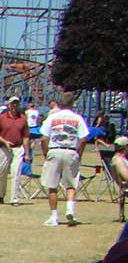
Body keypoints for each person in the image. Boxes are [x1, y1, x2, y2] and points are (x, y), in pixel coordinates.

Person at [39, 91, 90, 226]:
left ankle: (54, 216)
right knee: (71, 184)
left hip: (55, 150)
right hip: (71, 150)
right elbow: (84, 139)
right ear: (73, 103)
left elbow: (44, 138)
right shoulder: (78, 118)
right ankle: (70, 210)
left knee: (52, 185)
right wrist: (80, 153)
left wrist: (46, 153)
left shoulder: (52, 117)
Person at [0, 95, 29, 205]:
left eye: (16, 103)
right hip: (4, 148)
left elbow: (26, 136)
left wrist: (27, 153)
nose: (14, 105)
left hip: (18, 148)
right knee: (2, 173)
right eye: (13, 103)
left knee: (16, 173)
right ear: (9, 104)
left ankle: (14, 199)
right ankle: (1, 195)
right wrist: (4, 141)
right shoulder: (2, 118)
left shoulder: (22, 119)